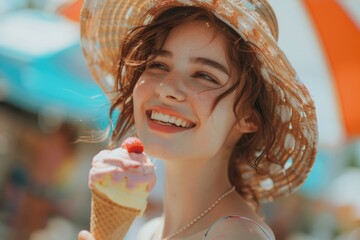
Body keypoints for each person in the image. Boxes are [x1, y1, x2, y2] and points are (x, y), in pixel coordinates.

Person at [78, 0, 318, 239]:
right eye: (158, 64)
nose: (167, 89)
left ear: (248, 118)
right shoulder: (149, 231)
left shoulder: (238, 236)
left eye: (205, 76)